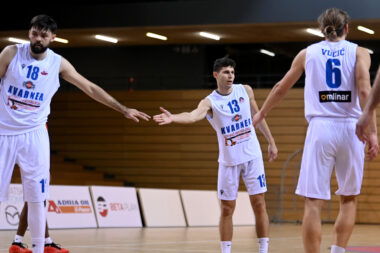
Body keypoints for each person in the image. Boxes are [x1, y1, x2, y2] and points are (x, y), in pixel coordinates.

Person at [0, 14, 150, 253]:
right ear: (29, 33)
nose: (38, 38)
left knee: (37, 197)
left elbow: (90, 88)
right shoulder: (11, 53)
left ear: (53, 38)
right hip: (3, 132)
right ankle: (20, 242)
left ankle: (40, 248)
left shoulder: (58, 63)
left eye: (43, 35)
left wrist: (122, 109)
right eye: (34, 33)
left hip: (35, 134)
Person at [251, 8, 379, 253]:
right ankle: (338, 251)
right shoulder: (360, 52)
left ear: (322, 30)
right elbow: (365, 92)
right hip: (352, 129)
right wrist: (372, 132)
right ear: (347, 29)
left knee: (313, 203)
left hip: (320, 128)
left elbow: (280, 87)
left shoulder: (307, 53)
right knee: (349, 199)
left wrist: (262, 113)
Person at [153, 57, 278, 253]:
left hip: (252, 156)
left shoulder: (245, 90)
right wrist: (173, 118)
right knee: (227, 209)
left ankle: (263, 250)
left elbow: (259, 117)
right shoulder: (209, 102)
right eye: (226, 72)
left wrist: (271, 141)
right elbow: (193, 116)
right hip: (229, 161)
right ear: (215, 75)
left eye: (232, 72)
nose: (230, 76)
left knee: (259, 203)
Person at [356, 66, 380, 142]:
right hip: (350, 123)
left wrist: (369, 110)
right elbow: (364, 91)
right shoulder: (361, 54)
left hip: (320, 122)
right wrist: (373, 131)